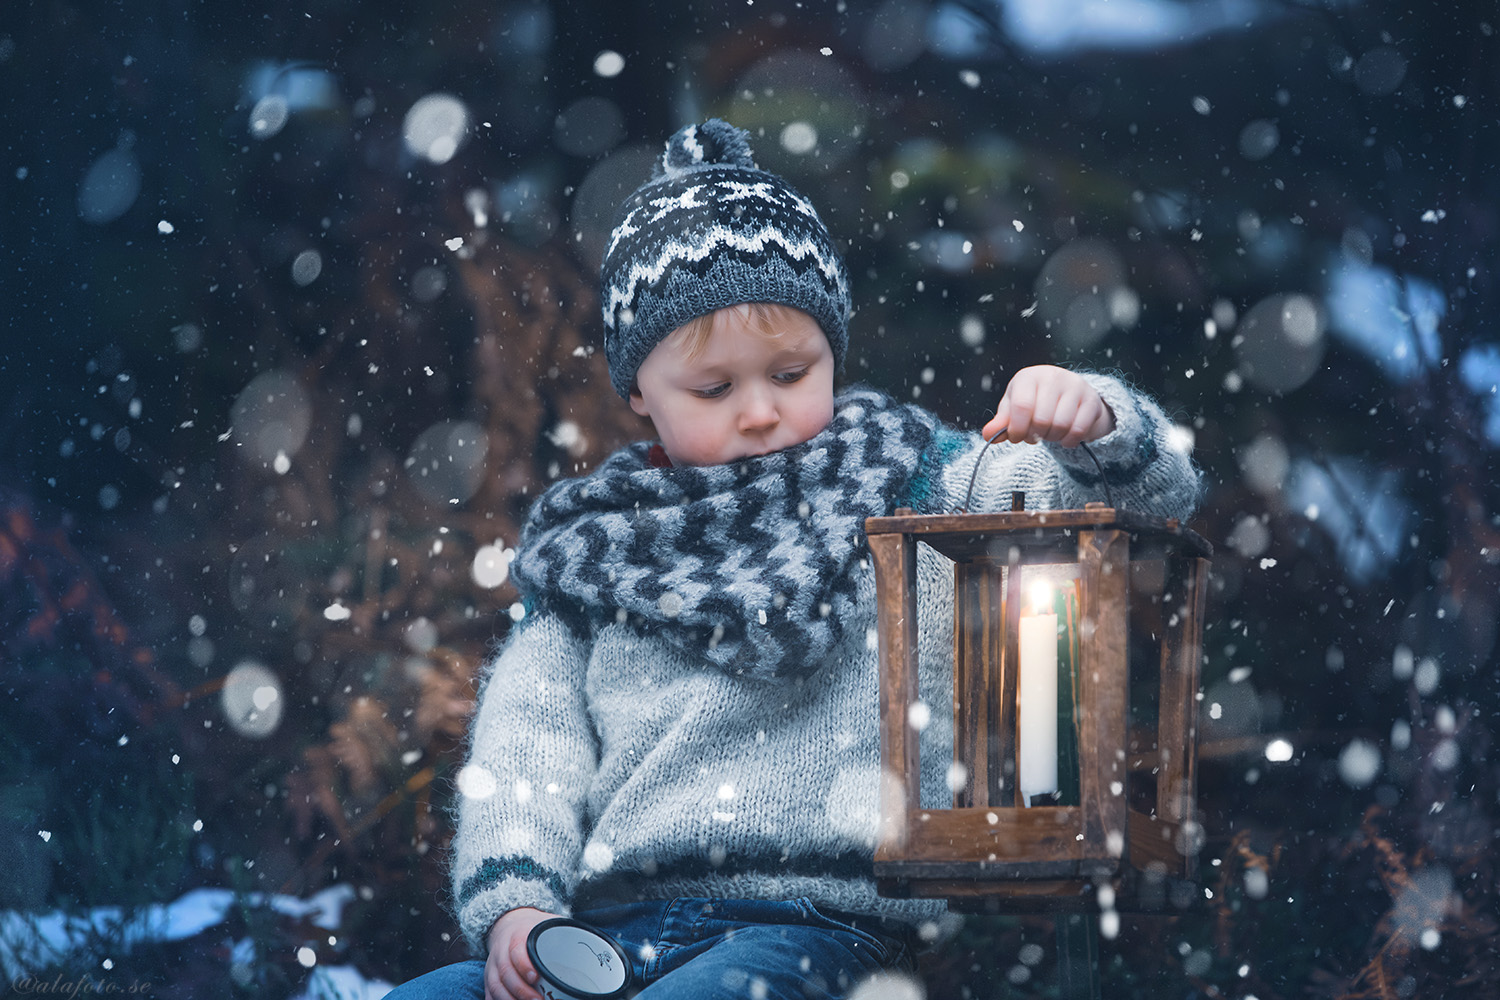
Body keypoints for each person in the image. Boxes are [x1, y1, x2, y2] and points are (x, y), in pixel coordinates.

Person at [388, 119, 1200, 1000]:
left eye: (790, 373)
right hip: (605, 938)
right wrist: (518, 905)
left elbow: (1141, 499)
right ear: (638, 394)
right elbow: (528, 744)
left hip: (818, 926)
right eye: (713, 388)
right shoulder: (601, 549)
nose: (759, 411)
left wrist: (1091, 419)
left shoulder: (910, 480)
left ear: (832, 353)